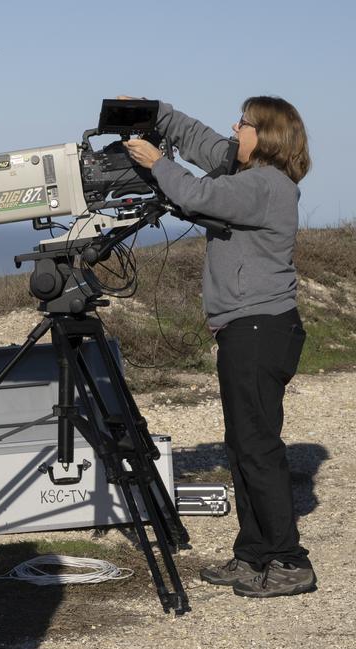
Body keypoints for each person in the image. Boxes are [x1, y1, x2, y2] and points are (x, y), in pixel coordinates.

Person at [124, 96, 315, 599]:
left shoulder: (265, 186)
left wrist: (155, 161)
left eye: (245, 123)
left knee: (258, 448)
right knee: (244, 446)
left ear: (267, 135)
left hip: (259, 328)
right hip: (248, 328)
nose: (236, 128)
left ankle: (290, 561)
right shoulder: (249, 173)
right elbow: (204, 144)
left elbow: (195, 195)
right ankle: (252, 557)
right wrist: (155, 110)